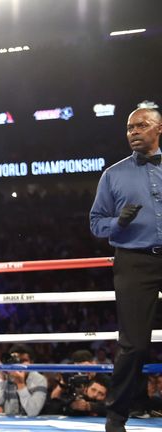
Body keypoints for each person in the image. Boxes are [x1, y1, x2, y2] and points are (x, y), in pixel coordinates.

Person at [89, 107, 162, 432]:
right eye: (129, 127)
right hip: (135, 259)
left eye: (141, 125)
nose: (133, 131)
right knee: (134, 344)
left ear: (158, 129)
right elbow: (95, 223)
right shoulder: (113, 174)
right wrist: (118, 222)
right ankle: (116, 418)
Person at [0, 344, 47, 416]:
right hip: (10, 422)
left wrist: (20, 384)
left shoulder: (39, 379)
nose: (19, 365)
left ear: (31, 363)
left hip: (31, 423)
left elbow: (33, 412)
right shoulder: (5, 375)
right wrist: (1, 375)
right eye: (16, 361)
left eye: (23, 360)